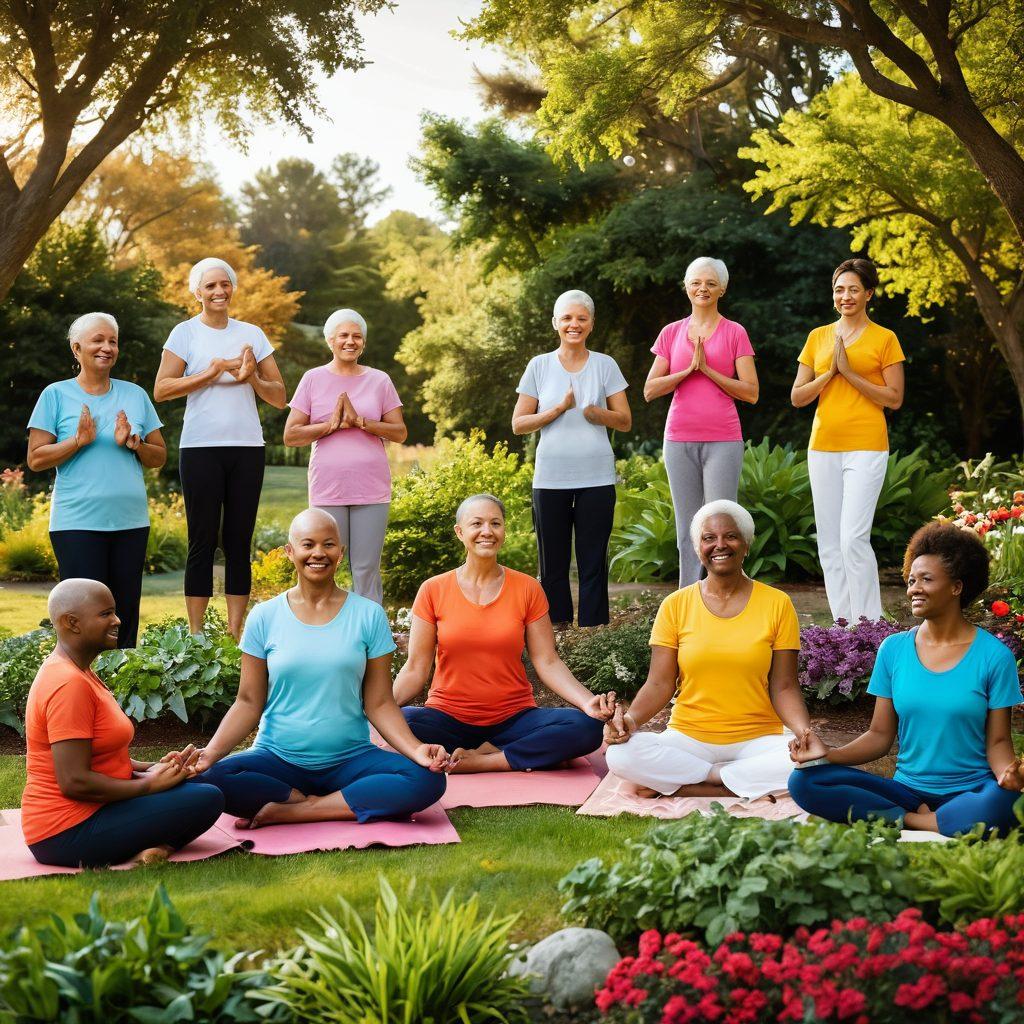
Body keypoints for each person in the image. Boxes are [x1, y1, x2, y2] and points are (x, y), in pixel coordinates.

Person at [192, 509, 448, 827]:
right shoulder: (264, 616)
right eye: (308, 544)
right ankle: (322, 802)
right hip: (278, 759)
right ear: (290, 552)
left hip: (350, 759)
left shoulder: (369, 615)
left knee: (427, 780)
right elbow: (248, 701)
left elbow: (380, 702)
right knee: (213, 776)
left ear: (340, 553)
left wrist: (417, 749)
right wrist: (211, 752)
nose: (318, 553)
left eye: (328, 545)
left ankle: (294, 811)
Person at [789, 523, 1024, 836]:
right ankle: (932, 821)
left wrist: (1009, 778)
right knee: (805, 781)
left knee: (1003, 802)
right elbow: (879, 736)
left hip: (971, 791)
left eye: (926, 579)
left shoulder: (994, 656)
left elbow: (998, 743)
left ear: (956, 587)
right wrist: (826, 755)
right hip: (907, 793)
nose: (914, 588)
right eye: (912, 580)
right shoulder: (894, 649)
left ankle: (914, 820)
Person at [603, 500, 814, 800]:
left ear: (746, 545)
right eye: (709, 538)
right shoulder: (675, 605)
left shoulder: (777, 603)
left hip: (758, 739)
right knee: (621, 756)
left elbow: (785, 686)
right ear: (696, 547)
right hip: (689, 739)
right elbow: (660, 683)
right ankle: (730, 782)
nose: (720, 545)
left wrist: (804, 734)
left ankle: (696, 786)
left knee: (811, 760)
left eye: (731, 536)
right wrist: (630, 722)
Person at [394, 493, 616, 772]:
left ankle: (484, 761)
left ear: (503, 531)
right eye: (477, 524)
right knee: (402, 721)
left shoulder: (527, 589)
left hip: (515, 719)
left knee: (584, 727)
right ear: (460, 532)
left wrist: (587, 703)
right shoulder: (433, 589)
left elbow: (547, 660)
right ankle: (512, 754)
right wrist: (378, 710)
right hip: (446, 719)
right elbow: (415, 668)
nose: (487, 531)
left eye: (495, 524)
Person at [22, 579, 223, 867]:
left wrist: (153, 768)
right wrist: (148, 786)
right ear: (72, 623)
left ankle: (150, 849)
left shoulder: (81, 672)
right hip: (65, 832)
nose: (117, 620)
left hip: (98, 809)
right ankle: (152, 848)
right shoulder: (67, 683)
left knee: (199, 780)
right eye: (105, 614)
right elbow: (74, 781)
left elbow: (101, 757)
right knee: (207, 798)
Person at [154, 258, 287, 639]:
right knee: (202, 540)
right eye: (210, 286)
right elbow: (162, 389)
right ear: (197, 292)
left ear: (232, 289)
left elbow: (279, 397)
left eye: (224, 284)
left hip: (246, 448)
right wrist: (211, 372)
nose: (219, 292)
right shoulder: (184, 333)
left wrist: (252, 376)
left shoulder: (252, 334)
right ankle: (196, 635)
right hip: (201, 448)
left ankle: (233, 634)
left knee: (238, 541)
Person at [27, 313, 166, 648]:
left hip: (130, 522)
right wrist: (77, 441)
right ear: (77, 349)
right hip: (77, 523)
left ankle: (122, 689)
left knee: (125, 613)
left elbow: (159, 456)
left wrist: (135, 443)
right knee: (84, 615)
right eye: (98, 340)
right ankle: (82, 686)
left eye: (113, 341)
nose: (107, 347)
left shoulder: (135, 395)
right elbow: (35, 459)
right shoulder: (55, 395)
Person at [791, 257, 905, 623]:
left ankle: (868, 625)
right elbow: (798, 397)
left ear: (869, 293)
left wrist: (850, 373)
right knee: (828, 543)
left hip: (867, 446)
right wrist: (830, 373)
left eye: (854, 289)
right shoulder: (818, 337)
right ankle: (844, 627)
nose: (845, 296)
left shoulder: (884, 338)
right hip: (823, 446)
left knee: (853, 538)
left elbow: (894, 398)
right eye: (840, 289)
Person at [512, 290, 631, 627]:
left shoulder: (605, 365)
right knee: (552, 564)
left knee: (594, 561)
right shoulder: (539, 365)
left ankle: (594, 632)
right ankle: (557, 631)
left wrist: (598, 413)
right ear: (555, 323)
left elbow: (624, 420)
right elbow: (519, 424)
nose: (573, 324)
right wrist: (558, 410)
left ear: (591, 324)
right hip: (551, 480)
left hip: (596, 478)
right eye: (567, 318)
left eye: (581, 318)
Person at [644, 258, 759, 588]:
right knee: (687, 530)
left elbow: (751, 392)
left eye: (710, 283)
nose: (702, 288)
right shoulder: (671, 333)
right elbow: (650, 389)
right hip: (679, 439)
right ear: (686, 287)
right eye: (696, 282)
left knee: (721, 526)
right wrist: (688, 370)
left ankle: (724, 595)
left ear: (722, 288)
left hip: (723, 440)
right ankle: (687, 602)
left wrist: (708, 370)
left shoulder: (735, 332)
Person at [283, 308, 407, 604]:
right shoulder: (313, 379)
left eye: (357, 336)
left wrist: (361, 422)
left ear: (363, 343)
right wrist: (330, 425)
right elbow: (291, 435)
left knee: (365, 569)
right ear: (330, 341)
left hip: (371, 489)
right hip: (328, 488)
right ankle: (327, 632)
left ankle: (371, 639)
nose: (350, 341)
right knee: (324, 567)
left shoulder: (380, 380)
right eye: (343, 335)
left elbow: (399, 432)